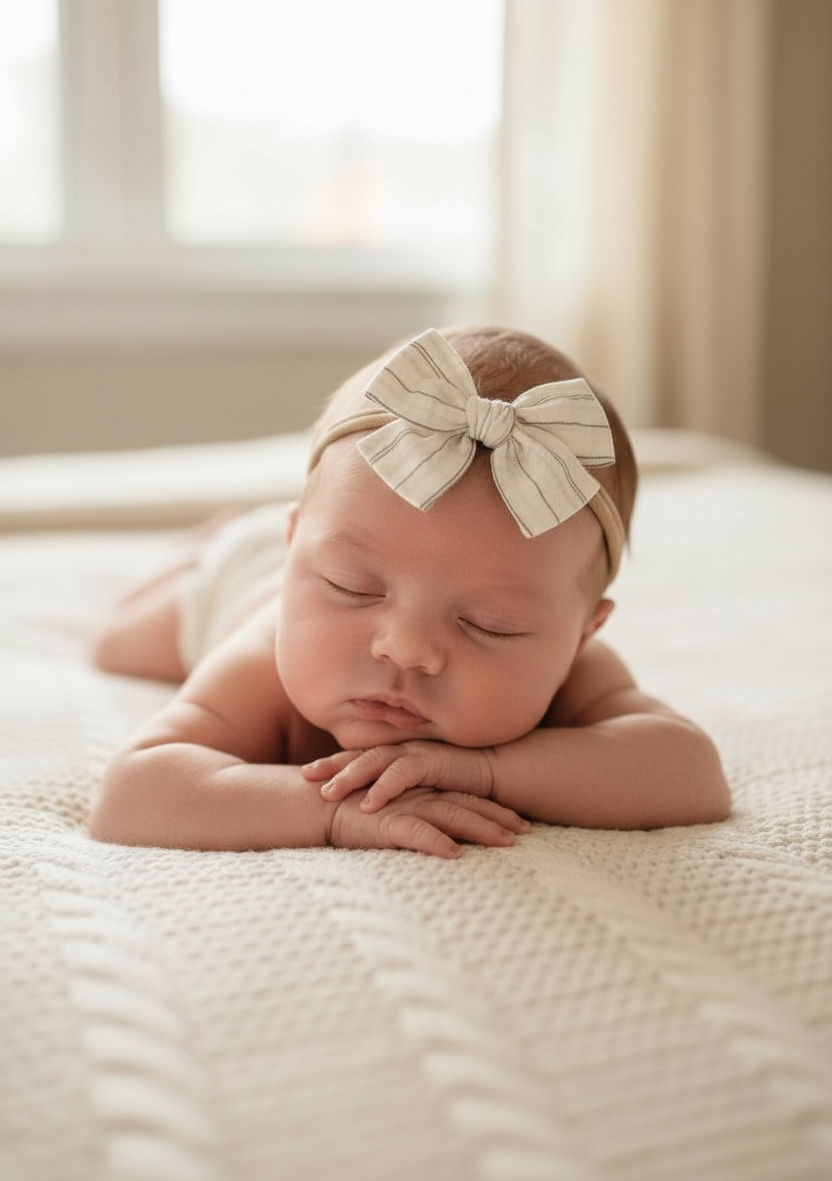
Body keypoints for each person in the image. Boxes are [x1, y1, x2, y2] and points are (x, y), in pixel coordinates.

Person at [89, 325, 731, 856]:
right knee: (118, 642)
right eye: (352, 588)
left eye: (490, 623)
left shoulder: (575, 673)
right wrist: (330, 813)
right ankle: (202, 546)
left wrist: (490, 771)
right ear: (299, 555)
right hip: (239, 581)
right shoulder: (261, 665)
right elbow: (132, 792)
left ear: (582, 634)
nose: (406, 648)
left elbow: (691, 773)